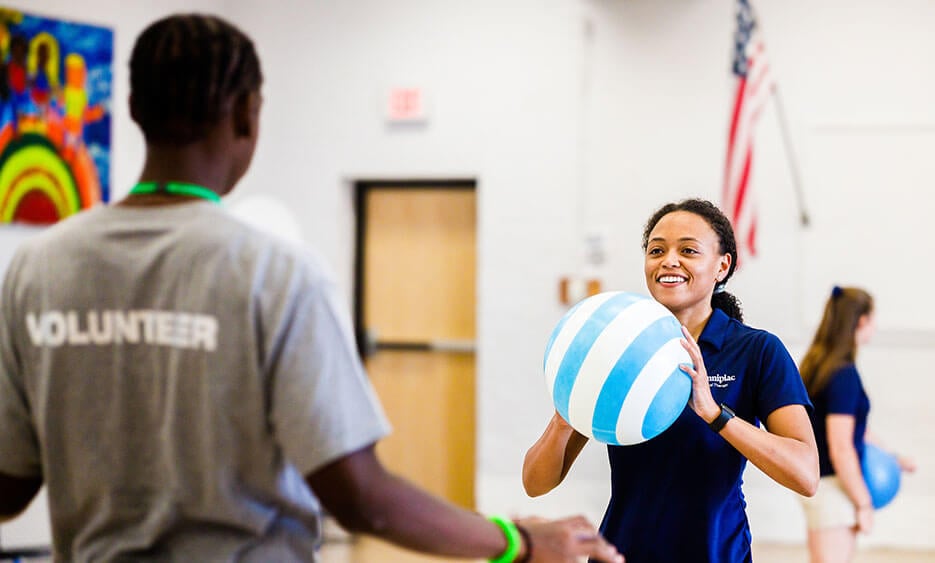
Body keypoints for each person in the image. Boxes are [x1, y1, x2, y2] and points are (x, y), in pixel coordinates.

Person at [0, 13, 623, 563]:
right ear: (248, 114)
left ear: (133, 109)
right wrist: (517, 541)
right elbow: (359, 499)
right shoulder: (273, 271)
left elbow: (10, 484)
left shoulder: (37, 268)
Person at [523, 198, 820, 562]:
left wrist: (715, 414)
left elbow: (806, 475)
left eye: (689, 250)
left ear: (722, 266)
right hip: (620, 553)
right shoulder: (619, 345)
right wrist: (562, 419)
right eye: (656, 250)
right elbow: (535, 484)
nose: (669, 260)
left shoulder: (757, 351)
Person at [798, 286, 916, 563]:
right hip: (833, 489)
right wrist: (863, 504)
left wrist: (894, 457)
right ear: (861, 321)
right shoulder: (843, 375)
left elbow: (855, 431)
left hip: (820, 484)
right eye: (873, 319)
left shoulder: (818, 365)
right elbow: (841, 447)